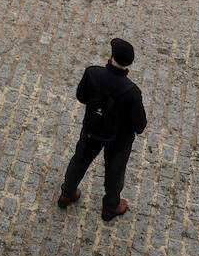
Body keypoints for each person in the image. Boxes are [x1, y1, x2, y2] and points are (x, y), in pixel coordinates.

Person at [58, 37, 147, 221]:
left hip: (93, 130)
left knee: (79, 161)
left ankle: (67, 193)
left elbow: (81, 96)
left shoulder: (93, 74)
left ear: (111, 56)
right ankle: (110, 208)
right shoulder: (132, 92)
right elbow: (140, 126)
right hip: (119, 140)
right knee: (115, 173)